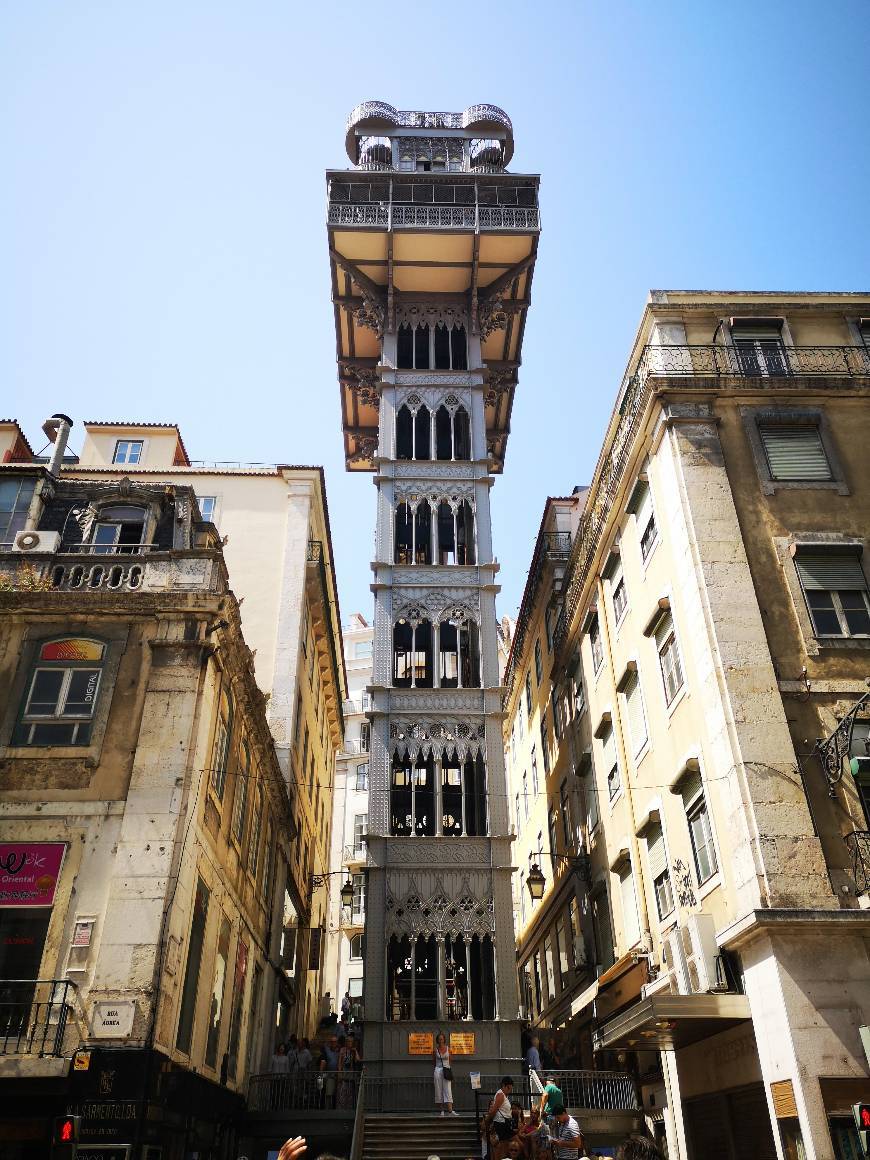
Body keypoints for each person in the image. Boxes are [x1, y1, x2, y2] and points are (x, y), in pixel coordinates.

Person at [434, 1031, 458, 1115]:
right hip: (438, 1070)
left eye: (442, 1039)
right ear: (437, 1040)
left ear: (444, 1040)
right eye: (439, 1039)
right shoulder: (436, 1050)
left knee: (447, 1089)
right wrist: (437, 1069)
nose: (441, 1040)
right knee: (439, 1089)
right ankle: (442, 1110)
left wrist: (448, 1068)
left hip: (446, 1070)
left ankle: (450, 1110)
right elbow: (434, 1061)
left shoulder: (448, 1049)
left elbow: (450, 1060)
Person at [486, 1076, 515, 1145]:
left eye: (510, 1088)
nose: (509, 1090)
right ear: (503, 1085)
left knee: (505, 1145)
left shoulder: (504, 1095)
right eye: (508, 1088)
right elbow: (494, 1111)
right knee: (504, 1145)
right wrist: (488, 1122)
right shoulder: (500, 1095)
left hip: (505, 1124)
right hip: (501, 1124)